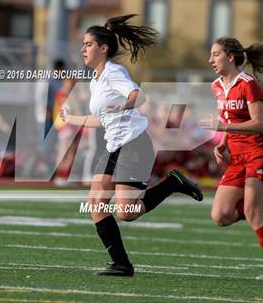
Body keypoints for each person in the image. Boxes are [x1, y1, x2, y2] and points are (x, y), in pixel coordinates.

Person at [59, 14, 203, 277]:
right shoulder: (95, 80)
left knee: (126, 213)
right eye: (83, 44)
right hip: (114, 145)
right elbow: (101, 118)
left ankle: (173, 183)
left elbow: (139, 96)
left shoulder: (114, 72)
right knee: (96, 203)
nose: (83, 49)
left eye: (88, 44)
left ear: (104, 49)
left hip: (134, 144)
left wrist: (124, 104)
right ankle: (121, 264)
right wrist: (73, 119)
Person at [202, 37, 263, 280]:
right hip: (237, 156)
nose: (210, 60)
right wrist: (223, 142)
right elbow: (230, 117)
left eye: (215, 54)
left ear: (230, 57)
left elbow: (259, 124)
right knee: (220, 216)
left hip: (259, 152)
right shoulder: (216, 85)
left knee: (253, 211)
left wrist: (222, 128)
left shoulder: (248, 83)